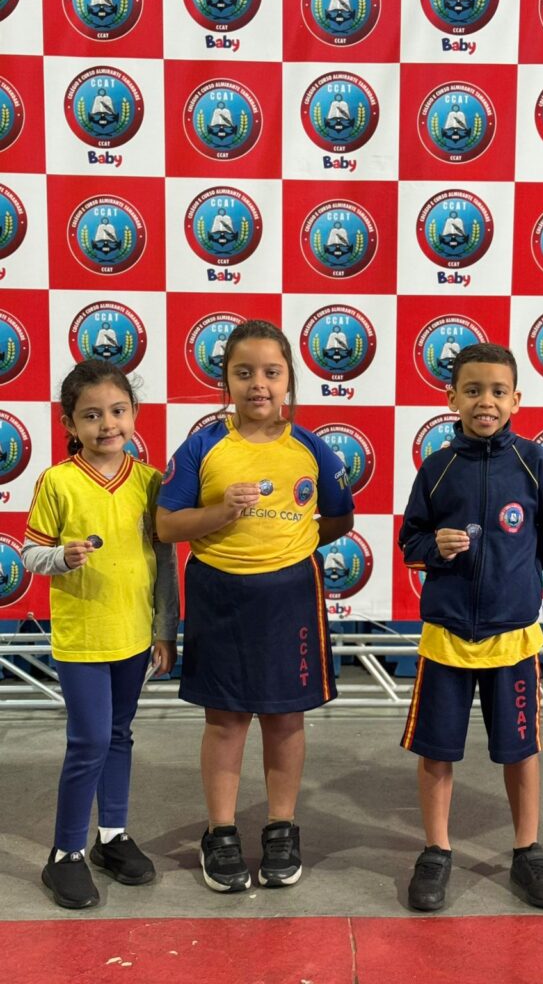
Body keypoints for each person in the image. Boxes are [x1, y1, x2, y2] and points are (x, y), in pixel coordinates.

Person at [156, 320, 354, 894]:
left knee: (285, 717)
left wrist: (291, 547)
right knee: (224, 719)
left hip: (290, 596)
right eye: (244, 373)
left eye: (271, 372)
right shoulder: (203, 446)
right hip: (219, 593)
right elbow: (166, 525)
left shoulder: (312, 448)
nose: (258, 384)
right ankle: (219, 831)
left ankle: (280, 827)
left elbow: (339, 518)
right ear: (226, 381)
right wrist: (221, 513)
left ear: (289, 380)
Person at [398, 342, 543, 912]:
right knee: (436, 750)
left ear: (516, 399)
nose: (485, 402)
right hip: (447, 636)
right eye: (472, 391)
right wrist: (435, 548)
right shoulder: (437, 467)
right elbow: (410, 542)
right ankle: (436, 850)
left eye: (497, 391)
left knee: (520, 749)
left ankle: (527, 849)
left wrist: (515, 579)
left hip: (512, 635)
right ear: (452, 398)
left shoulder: (533, 462)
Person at [22, 359, 179, 909]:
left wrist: (164, 630)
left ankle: (111, 837)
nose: (107, 424)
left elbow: (164, 563)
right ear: (69, 424)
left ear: (134, 413)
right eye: (91, 415)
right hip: (82, 637)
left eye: (117, 411)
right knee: (88, 740)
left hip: (134, 636)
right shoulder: (57, 481)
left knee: (118, 735)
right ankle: (64, 853)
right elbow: (30, 553)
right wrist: (60, 558)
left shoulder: (151, 482)